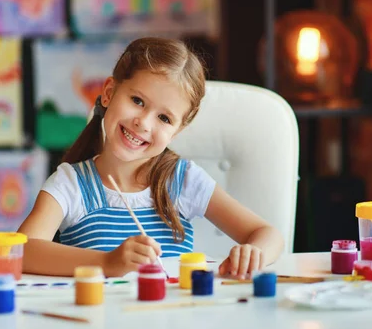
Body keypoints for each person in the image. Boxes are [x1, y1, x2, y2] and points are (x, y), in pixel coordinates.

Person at [17, 37, 284, 279]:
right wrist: (108, 263)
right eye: (137, 100)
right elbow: (21, 250)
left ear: (177, 131)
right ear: (109, 93)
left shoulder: (182, 180)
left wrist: (253, 253)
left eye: (164, 118)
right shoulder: (71, 183)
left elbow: (269, 235)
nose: (143, 123)